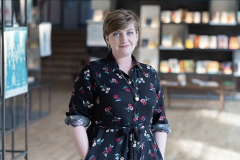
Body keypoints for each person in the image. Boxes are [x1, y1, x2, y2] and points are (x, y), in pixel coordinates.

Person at [65, 9, 171, 160]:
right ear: (107, 38)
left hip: (146, 155)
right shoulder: (93, 71)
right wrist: (88, 157)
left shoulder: (150, 74)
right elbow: (76, 118)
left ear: (137, 36)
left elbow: (160, 122)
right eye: (116, 33)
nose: (124, 39)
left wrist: (158, 155)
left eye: (129, 33)